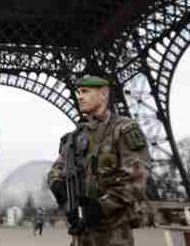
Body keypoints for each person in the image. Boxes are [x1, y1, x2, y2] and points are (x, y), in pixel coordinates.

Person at [48, 75, 150, 246]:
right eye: (78, 92)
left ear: (103, 94)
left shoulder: (123, 129)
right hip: (81, 234)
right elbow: (56, 168)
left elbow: (136, 182)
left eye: (85, 92)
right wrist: (58, 186)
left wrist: (99, 208)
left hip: (113, 234)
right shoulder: (74, 137)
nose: (79, 96)